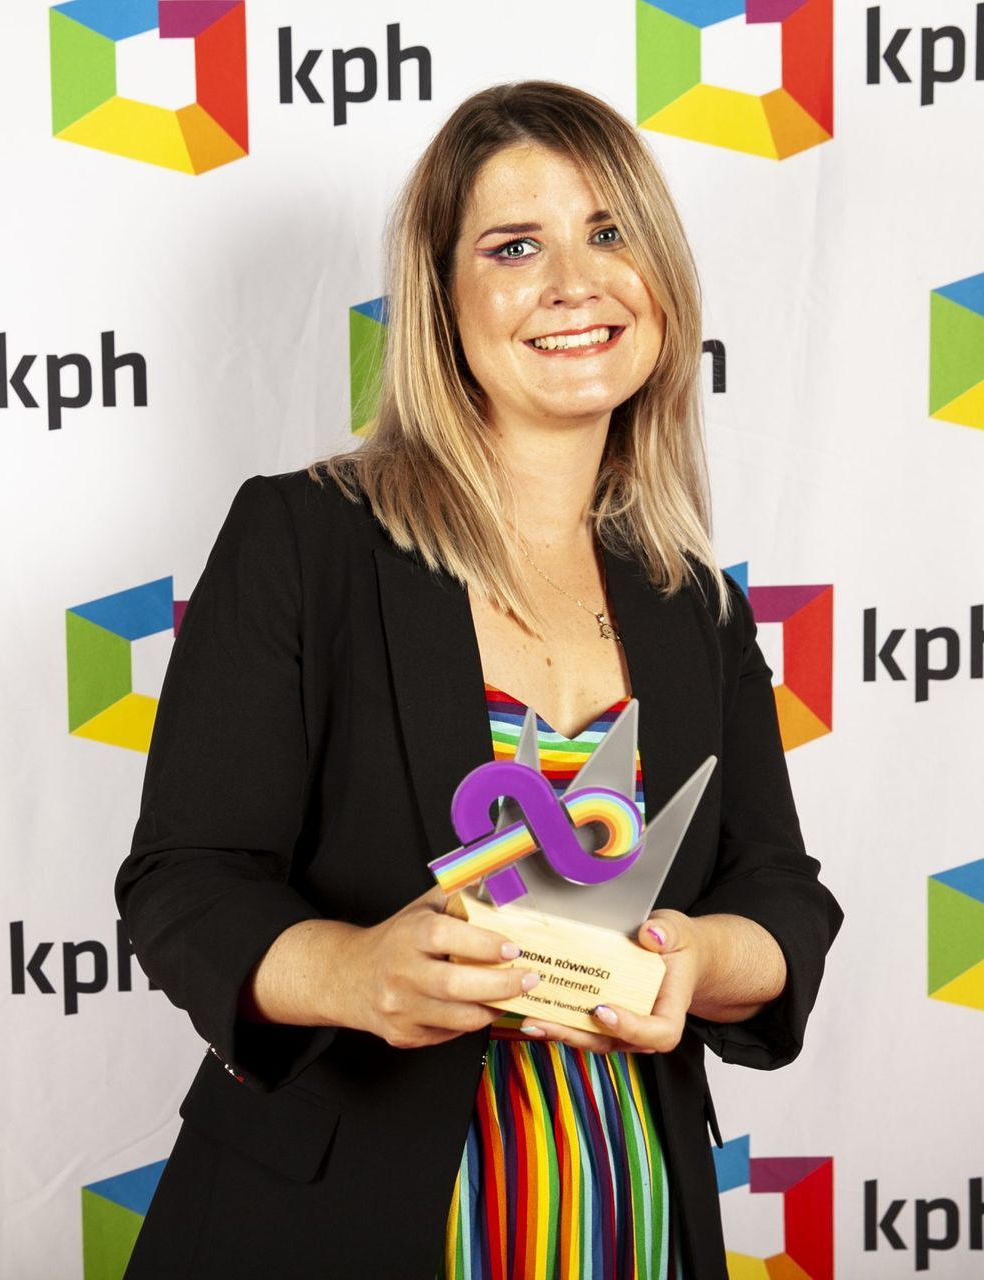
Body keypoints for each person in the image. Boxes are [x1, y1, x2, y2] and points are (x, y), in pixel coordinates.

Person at [114, 80, 843, 1280]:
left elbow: (780, 890)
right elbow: (185, 880)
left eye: (609, 231)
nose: (575, 280)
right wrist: (352, 970)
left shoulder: (693, 600)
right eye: (515, 246)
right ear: (442, 300)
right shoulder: (306, 539)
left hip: (625, 1219)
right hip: (336, 1224)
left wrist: (702, 957)